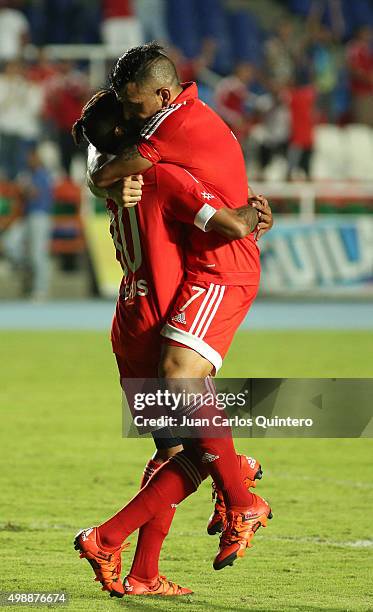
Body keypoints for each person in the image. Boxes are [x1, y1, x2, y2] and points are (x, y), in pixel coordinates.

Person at [73, 71, 273, 597]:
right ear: (133, 137)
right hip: (164, 317)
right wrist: (250, 212)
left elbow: (102, 170)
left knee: (173, 450)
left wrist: (99, 171)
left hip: (130, 323)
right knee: (196, 452)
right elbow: (229, 225)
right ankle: (235, 484)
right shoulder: (163, 176)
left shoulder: (117, 183)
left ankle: (141, 572)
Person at [3, 146, 53, 299]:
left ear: (37, 158)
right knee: (9, 242)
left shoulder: (43, 174)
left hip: (40, 217)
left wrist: (23, 188)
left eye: (31, 157)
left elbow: (35, 193)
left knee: (38, 254)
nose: (28, 160)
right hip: (26, 217)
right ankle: (27, 267)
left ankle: (41, 290)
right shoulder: (28, 174)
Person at [346, 26, 373, 126]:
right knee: (362, 122)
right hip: (360, 91)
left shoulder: (367, 49)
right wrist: (368, 78)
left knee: (370, 121)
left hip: (369, 90)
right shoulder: (354, 48)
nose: (369, 36)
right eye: (366, 33)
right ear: (359, 34)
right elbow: (352, 68)